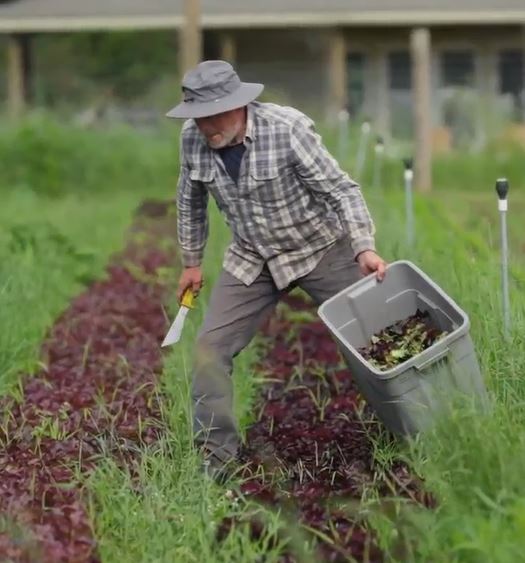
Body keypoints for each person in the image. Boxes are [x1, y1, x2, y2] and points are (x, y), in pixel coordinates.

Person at [166, 60, 387, 481]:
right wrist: (192, 262)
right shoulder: (192, 140)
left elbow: (342, 189)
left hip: (321, 248)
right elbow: (189, 200)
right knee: (209, 351)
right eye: (196, 117)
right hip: (253, 257)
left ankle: (406, 434)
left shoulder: (286, 129)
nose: (205, 126)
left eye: (213, 115)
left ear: (239, 106)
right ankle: (217, 463)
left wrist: (364, 248)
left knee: (372, 344)